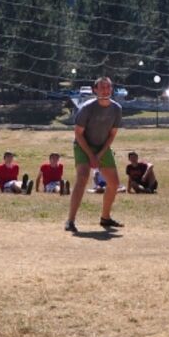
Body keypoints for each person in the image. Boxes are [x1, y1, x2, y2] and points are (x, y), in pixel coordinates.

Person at [67, 77, 123, 232]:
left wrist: (99, 155)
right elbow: (78, 134)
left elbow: (112, 134)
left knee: (114, 183)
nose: (105, 90)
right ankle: (70, 220)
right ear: (95, 90)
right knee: (83, 177)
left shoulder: (116, 108)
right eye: (102, 87)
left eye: (108, 87)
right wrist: (91, 156)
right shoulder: (87, 108)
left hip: (102, 146)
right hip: (83, 145)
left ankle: (105, 218)